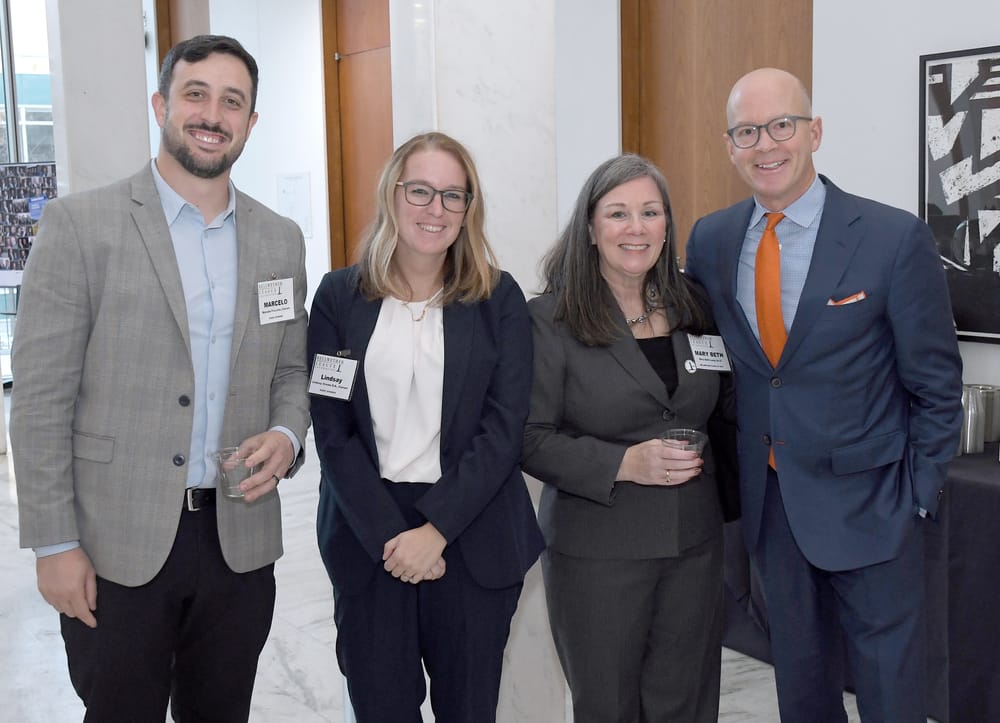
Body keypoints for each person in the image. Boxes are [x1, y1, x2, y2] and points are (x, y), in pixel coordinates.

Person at [10, 35, 310, 722]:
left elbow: (291, 366)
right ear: (161, 105)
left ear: (251, 123)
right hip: (118, 542)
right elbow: (40, 400)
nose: (213, 114)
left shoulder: (280, 239)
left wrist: (288, 433)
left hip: (238, 540)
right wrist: (55, 544)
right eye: (196, 94)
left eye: (233, 101)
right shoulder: (82, 226)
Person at [684, 67, 964, 722]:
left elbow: (936, 382)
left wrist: (917, 496)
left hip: (876, 510)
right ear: (730, 146)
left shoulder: (892, 239)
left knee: (891, 696)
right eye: (747, 131)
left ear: (813, 132)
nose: (766, 144)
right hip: (772, 510)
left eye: (781, 125)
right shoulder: (713, 241)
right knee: (801, 693)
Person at [308, 131, 544, 722]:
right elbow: (332, 430)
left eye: (452, 196)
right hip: (370, 538)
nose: (434, 210)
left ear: (469, 210)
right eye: (420, 191)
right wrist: (395, 538)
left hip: (471, 538)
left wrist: (435, 531)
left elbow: (504, 426)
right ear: (392, 193)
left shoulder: (499, 298)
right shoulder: (340, 296)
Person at [521, 153, 736, 723]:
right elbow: (529, 438)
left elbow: (725, 410)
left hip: (694, 545)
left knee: (687, 704)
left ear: (668, 225)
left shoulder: (694, 308)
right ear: (590, 229)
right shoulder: (549, 320)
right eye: (617, 213)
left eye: (650, 212)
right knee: (609, 707)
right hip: (598, 553)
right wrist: (624, 463)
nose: (635, 228)